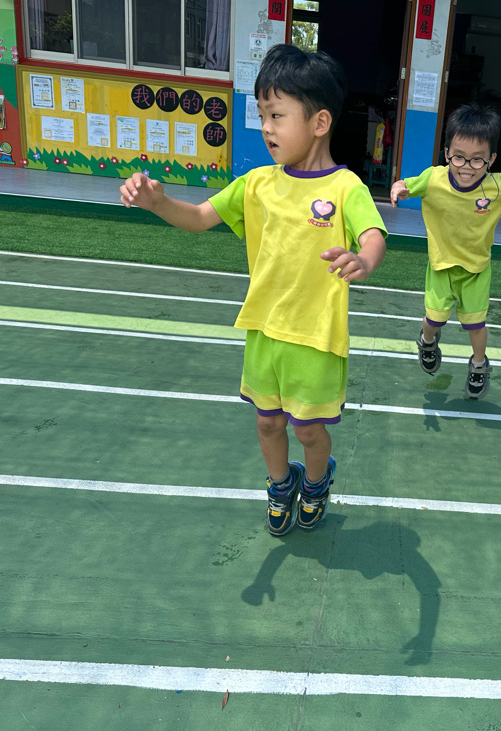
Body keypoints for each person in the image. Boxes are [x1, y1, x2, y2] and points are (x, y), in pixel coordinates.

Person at [119, 44, 387, 535]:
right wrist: (158, 203)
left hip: (316, 337)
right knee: (268, 422)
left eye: (277, 115)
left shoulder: (346, 187)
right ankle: (280, 485)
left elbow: (373, 234)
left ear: (320, 122)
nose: (266, 127)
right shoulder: (256, 183)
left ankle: (317, 481)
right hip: (264, 330)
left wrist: (364, 259)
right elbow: (199, 217)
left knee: (310, 430)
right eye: (262, 115)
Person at [390, 104, 501, 399]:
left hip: (476, 270)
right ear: (447, 152)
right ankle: (427, 341)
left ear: (491, 159)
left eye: (477, 160)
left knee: (475, 324)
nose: (466, 166)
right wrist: (399, 188)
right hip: (441, 266)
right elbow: (405, 183)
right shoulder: (433, 178)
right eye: (458, 157)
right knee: (434, 319)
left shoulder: (497, 185)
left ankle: (478, 364)